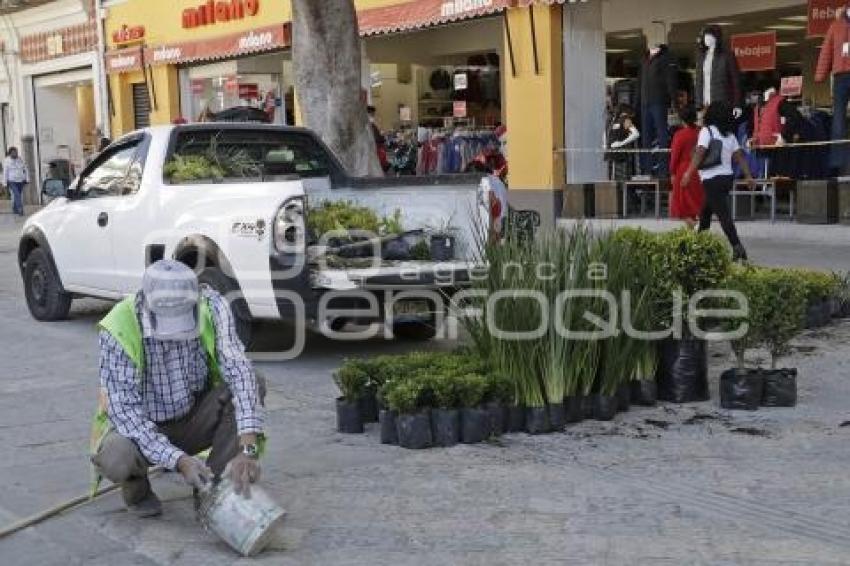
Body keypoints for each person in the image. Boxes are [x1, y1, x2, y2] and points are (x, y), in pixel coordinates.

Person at [90, 260, 265, 518]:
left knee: (254, 381)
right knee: (117, 456)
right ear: (146, 305)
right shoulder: (119, 326)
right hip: (141, 426)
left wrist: (248, 448)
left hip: (193, 415)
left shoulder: (213, 306)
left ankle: (214, 487)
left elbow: (240, 372)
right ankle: (136, 489)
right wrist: (179, 461)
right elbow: (127, 414)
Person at [681, 101, 755, 262]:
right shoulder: (729, 135)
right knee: (705, 213)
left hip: (711, 179)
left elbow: (700, 153)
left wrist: (688, 173)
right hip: (726, 178)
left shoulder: (707, 131)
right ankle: (700, 245)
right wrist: (748, 176)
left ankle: (737, 247)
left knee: (723, 215)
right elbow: (739, 157)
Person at [669, 106, 705, 227]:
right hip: (699, 170)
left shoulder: (680, 135)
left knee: (682, 207)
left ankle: (695, 230)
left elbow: (674, 156)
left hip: (683, 170)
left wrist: (672, 172)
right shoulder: (701, 132)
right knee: (694, 204)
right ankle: (693, 235)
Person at [3, 147, 28, 217]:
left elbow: (25, 169)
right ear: (10, 153)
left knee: (18, 195)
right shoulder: (7, 161)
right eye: (13, 152)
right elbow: (5, 172)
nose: (15, 153)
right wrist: (5, 183)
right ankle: (20, 210)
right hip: (12, 181)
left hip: (20, 180)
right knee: (17, 195)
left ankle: (14, 208)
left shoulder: (20, 159)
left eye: (16, 152)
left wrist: (26, 179)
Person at [367, 105, 389, 172]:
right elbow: (377, 136)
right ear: (369, 113)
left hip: (373, 146)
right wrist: (382, 137)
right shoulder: (370, 123)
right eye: (373, 113)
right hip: (375, 146)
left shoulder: (369, 123)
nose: (373, 115)